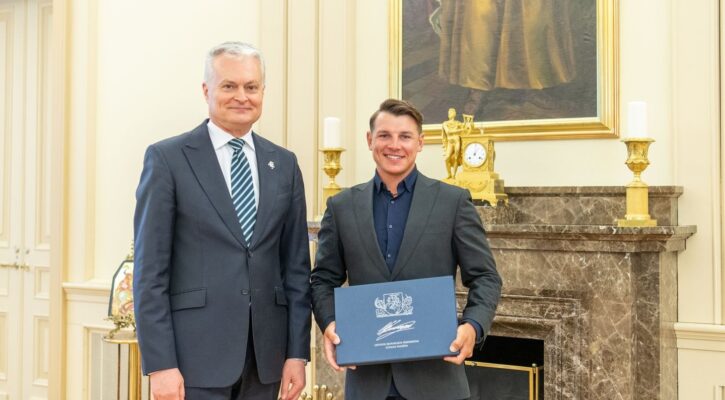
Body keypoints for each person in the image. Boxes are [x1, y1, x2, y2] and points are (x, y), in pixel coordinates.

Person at [133, 41, 311, 400]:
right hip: (192, 360)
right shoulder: (168, 159)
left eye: (251, 86)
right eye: (229, 86)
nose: (242, 96)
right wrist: (160, 364)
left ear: (263, 92)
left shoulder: (284, 164)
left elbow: (295, 269)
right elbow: (150, 272)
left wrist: (297, 353)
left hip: (266, 360)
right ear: (206, 90)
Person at [311, 99, 502, 400]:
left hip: (437, 382)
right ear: (369, 140)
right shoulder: (341, 207)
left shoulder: (453, 202)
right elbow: (322, 279)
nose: (394, 145)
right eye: (384, 135)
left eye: (405, 136)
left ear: (420, 142)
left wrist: (473, 325)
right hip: (367, 383)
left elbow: (485, 277)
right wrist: (329, 322)